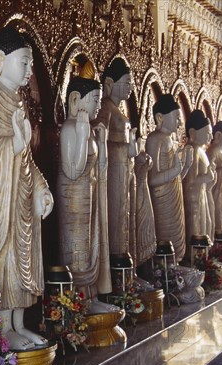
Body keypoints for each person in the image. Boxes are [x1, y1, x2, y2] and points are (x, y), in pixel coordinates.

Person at [0, 26, 53, 350]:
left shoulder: (18, 99)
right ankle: (2, 327)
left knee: (24, 257)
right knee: (2, 257)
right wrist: (15, 141)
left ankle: (18, 322)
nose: (30, 71)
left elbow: (27, 157)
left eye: (31, 64)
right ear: (0, 60)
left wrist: (42, 187)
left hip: (19, 194)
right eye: (25, 63)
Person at [56, 58, 119, 314]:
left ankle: (91, 295)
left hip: (89, 196)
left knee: (91, 245)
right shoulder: (70, 129)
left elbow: (100, 170)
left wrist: (101, 142)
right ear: (75, 101)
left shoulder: (88, 130)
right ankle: (78, 299)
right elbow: (73, 170)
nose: (97, 107)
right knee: (78, 250)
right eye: (93, 100)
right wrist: (82, 135)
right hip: (73, 202)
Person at [93, 58, 139, 260]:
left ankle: (124, 256)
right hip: (112, 167)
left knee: (125, 210)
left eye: (130, 83)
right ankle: (115, 257)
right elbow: (98, 136)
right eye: (126, 82)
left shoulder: (120, 109)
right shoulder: (104, 108)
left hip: (124, 165)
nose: (129, 87)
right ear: (110, 84)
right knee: (115, 211)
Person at [146, 95, 192, 262]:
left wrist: (185, 167)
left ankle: (174, 271)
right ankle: (163, 271)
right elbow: (151, 179)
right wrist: (175, 170)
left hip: (174, 200)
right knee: (165, 241)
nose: (180, 123)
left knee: (177, 243)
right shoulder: (154, 139)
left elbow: (176, 179)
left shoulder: (171, 141)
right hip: (161, 201)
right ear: (160, 118)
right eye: (177, 117)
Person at [182, 110, 215, 258]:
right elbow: (189, 181)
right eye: (207, 132)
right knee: (195, 229)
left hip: (202, 197)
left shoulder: (201, 151)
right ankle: (193, 259)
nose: (211, 137)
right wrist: (206, 177)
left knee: (206, 226)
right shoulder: (191, 150)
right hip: (193, 200)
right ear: (193, 132)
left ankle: (204, 259)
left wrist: (210, 180)